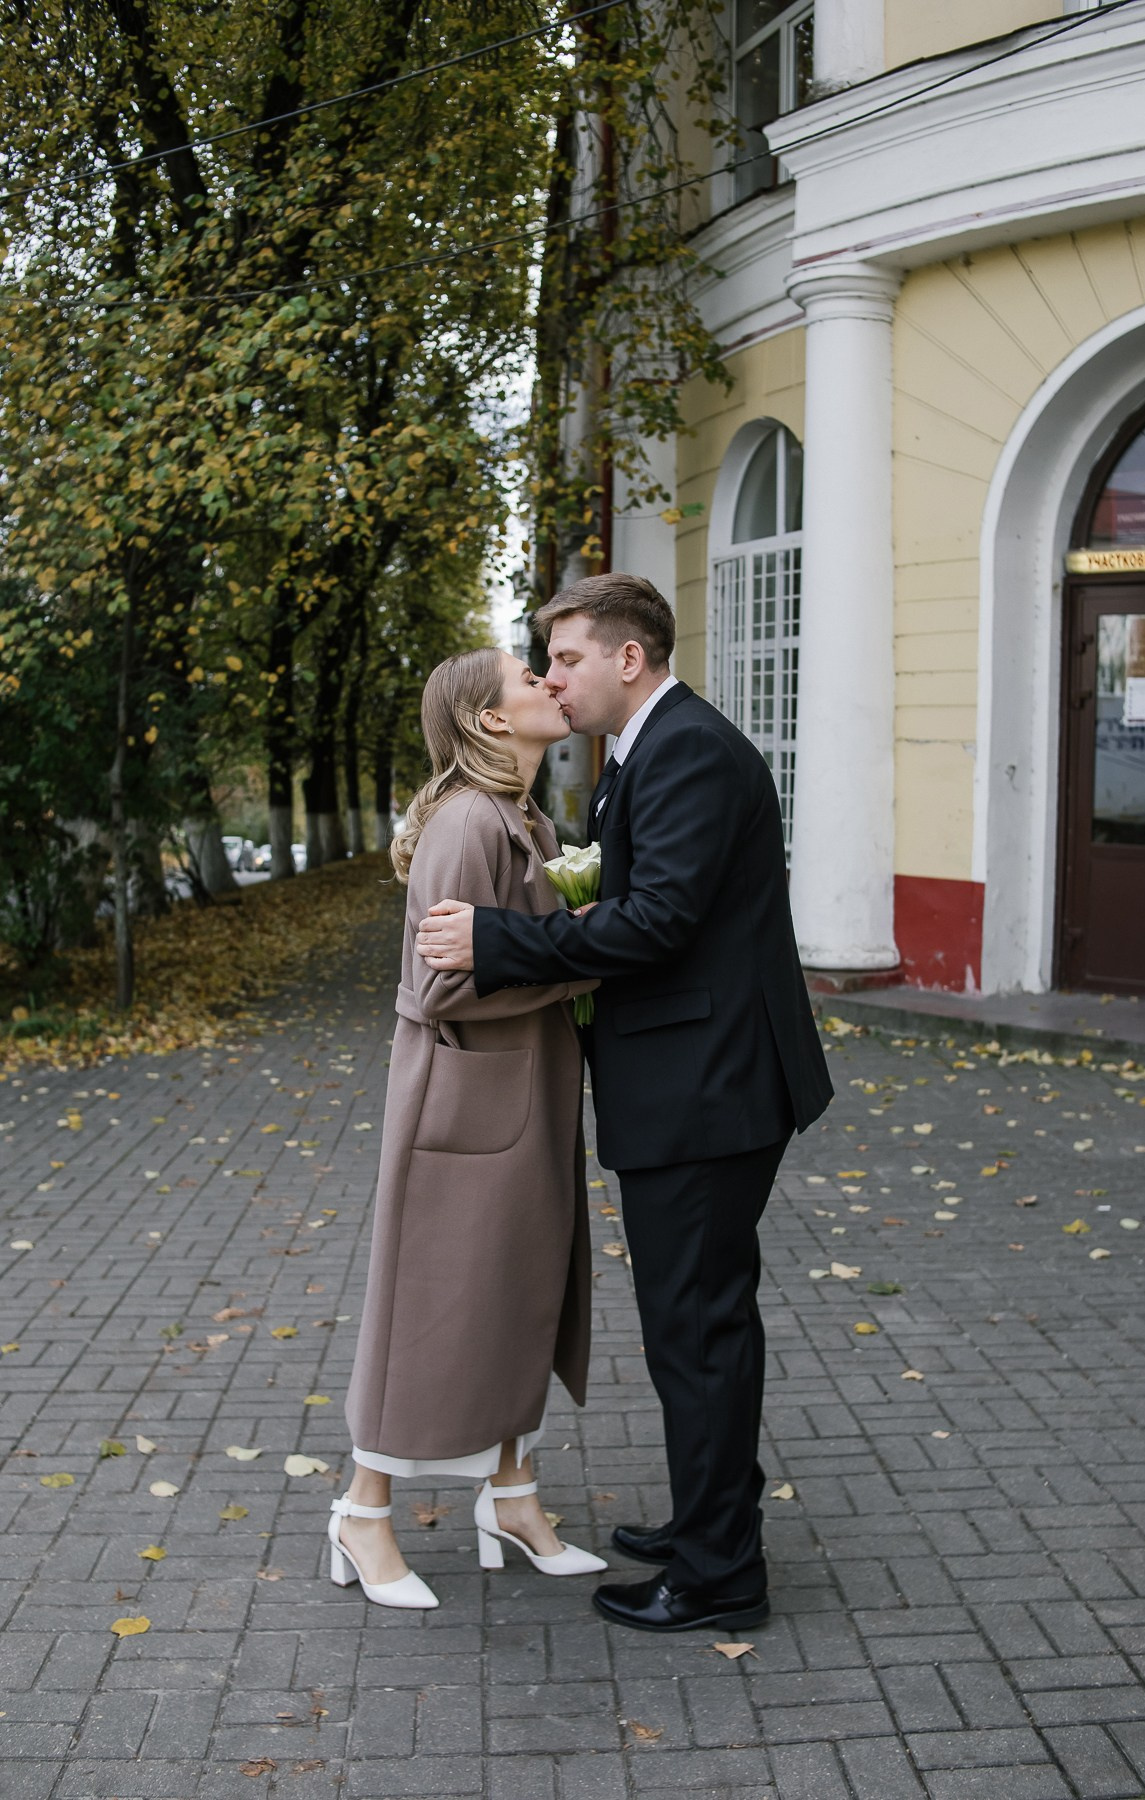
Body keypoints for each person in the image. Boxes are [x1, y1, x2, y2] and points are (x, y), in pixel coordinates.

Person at [416, 573, 834, 1635]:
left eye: (566, 658)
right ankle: (708, 1522)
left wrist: (498, 941)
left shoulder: (685, 750)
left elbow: (657, 920)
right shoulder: (646, 750)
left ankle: (720, 1575)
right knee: (695, 1326)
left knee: (697, 1332)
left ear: (628, 658)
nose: (554, 678)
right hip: (696, 1082)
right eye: (547, 663)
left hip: (711, 1088)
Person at [331, 646, 607, 1611]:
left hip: (523, 1097)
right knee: (430, 1311)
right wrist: (582, 965)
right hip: (462, 1106)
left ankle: (513, 1497)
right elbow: (438, 984)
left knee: (519, 1294)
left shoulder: (525, 817)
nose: (549, 683)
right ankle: (363, 1513)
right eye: (529, 678)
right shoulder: (466, 821)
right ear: (491, 720)